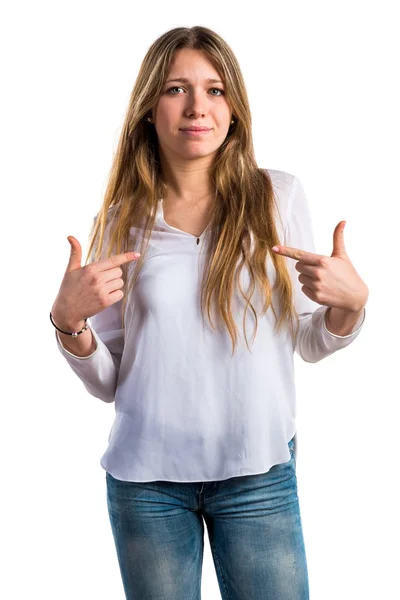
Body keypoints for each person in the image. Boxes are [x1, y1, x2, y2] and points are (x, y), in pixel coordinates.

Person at [50, 25, 368, 600]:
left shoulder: (278, 196)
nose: (198, 106)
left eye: (215, 90)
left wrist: (350, 306)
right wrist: (69, 326)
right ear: (149, 107)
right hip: (147, 486)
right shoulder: (121, 220)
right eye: (176, 89)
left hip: (258, 474)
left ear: (235, 107)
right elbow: (110, 382)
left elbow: (308, 339)